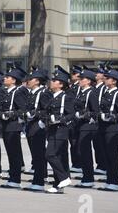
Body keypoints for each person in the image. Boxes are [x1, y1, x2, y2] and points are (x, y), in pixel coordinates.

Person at [44, 66, 75, 194]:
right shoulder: (53, 97)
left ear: (61, 84)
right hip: (52, 129)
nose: (51, 82)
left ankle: (64, 177)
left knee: (49, 154)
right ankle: (58, 185)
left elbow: (71, 114)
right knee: (59, 157)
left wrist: (59, 119)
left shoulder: (65, 97)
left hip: (60, 130)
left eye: (54, 80)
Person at [97, 70, 118, 192]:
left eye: (108, 78)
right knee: (106, 155)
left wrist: (112, 117)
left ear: (114, 81)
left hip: (112, 128)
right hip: (103, 127)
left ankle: (115, 182)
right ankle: (109, 180)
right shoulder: (106, 93)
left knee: (112, 155)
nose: (105, 79)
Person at [23, 68, 51, 192]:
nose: (28, 81)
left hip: (37, 127)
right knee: (36, 155)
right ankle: (39, 177)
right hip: (30, 126)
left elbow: (47, 110)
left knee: (39, 155)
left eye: (30, 79)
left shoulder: (43, 93)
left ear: (37, 81)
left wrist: (41, 122)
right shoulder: (32, 93)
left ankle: (39, 181)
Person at [0, 68, 27, 189]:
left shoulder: (18, 92)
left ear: (14, 80)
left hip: (13, 126)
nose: (4, 78)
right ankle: (12, 177)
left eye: (7, 77)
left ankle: (15, 179)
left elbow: (22, 109)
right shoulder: (8, 92)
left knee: (14, 154)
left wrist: (12, 114)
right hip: (6, 126)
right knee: (10, 153)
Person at [73, 69, 99, 189]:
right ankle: (86, 177)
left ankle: (88, 178)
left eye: (82, 79)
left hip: (88, 126)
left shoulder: (91, 93)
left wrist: (85, 115)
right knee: (81, 151)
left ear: (88, 81)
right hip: (80, 125)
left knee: (85, 152)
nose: (79, 81)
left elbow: (95, 111)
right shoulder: (82, 92)